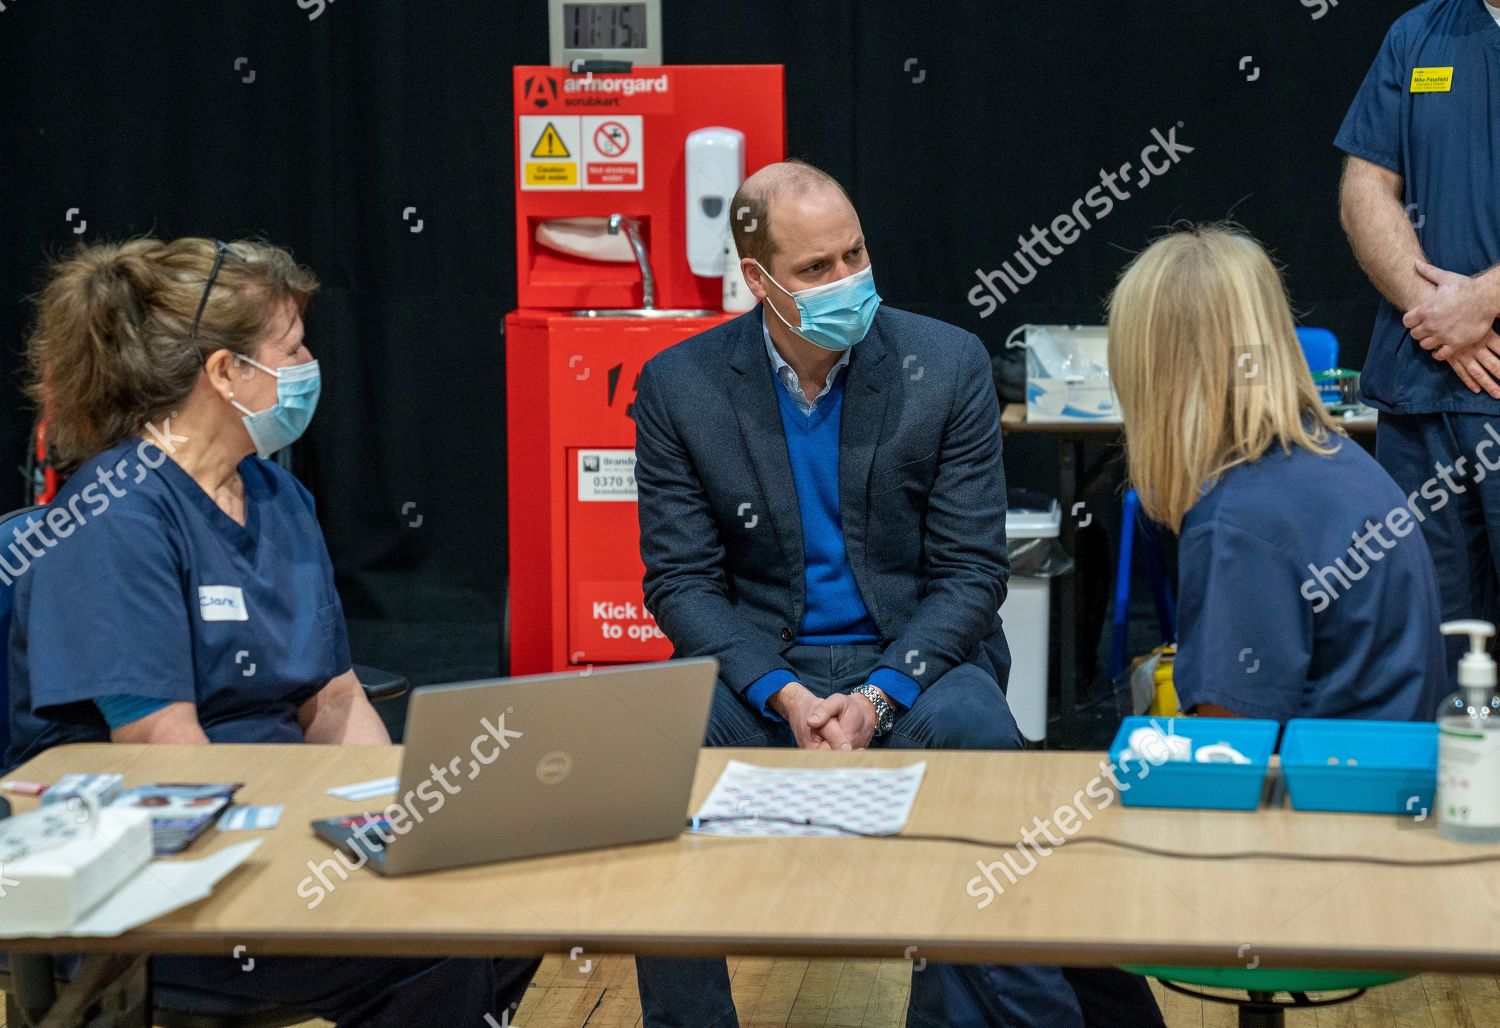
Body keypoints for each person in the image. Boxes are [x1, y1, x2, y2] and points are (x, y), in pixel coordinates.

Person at [632, 160, 1163, 1027]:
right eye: (817, 270)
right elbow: (682, 585)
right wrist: (786, 693)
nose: (849, 281)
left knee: (981, 733)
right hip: (764, 669)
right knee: (655, 752)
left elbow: (970, 576)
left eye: (856, 254)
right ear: (758, 279)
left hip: (913, 657)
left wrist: (878, 697)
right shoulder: (680, 386)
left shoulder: (943, 364)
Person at [3, 237, 538, 1027]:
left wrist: (399, 823)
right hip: (159, 875)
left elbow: (334, 696)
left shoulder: (279, 498)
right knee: (440, 939)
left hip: (289, 841)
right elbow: (163, 757)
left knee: (516, 901)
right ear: (225, 372)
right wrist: (312, 862)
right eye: (290, 349)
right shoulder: (114, 518)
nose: (308, 365)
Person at [1107, 225, 1445, 721]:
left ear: (1151, 373)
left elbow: (1227, 754)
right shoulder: (1345, 464)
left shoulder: (1238, 522)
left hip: (1317, 793)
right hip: (1387, 777)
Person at [1336, 0, 1500, 682]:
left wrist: (1485, 299)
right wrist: (1437, 310)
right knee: (1437, 652)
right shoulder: (1418, 33)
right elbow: (1365, 188)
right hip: (1424, 397)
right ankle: (1451, 792)